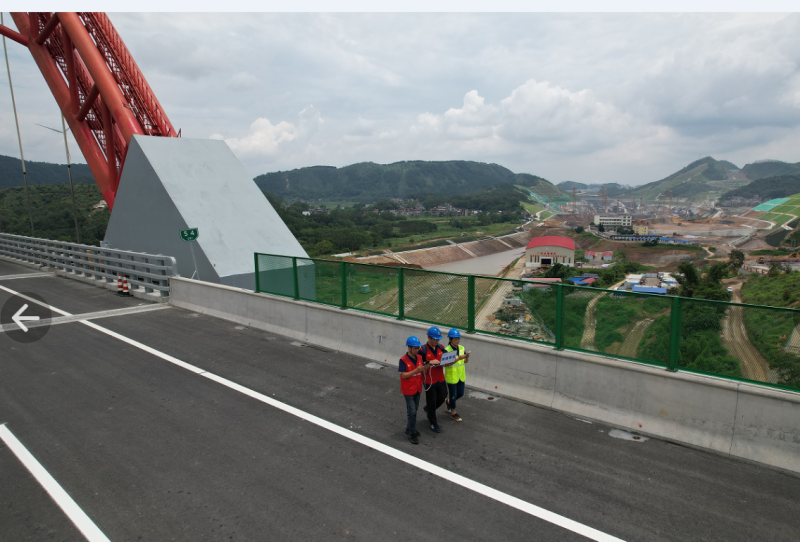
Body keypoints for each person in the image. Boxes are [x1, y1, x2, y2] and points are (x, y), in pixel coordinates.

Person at [419, 326, 448, 433]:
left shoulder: (441, 347)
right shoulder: (423, 350)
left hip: (440, 378)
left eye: (438, 339)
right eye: (434, 339)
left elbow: (445, 357)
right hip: (429, 381)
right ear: (429, 338)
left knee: (443, 396)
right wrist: (429, 362)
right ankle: (433, 422)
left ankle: (429, 410)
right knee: (431, 401)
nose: (436, 341)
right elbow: (418, 363)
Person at [399, 336, 426, 444]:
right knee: (412, 411)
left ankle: (409, 427)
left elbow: (422, 369)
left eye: (418, 348)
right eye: (415, 348)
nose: (417, 350)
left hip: (417, 389)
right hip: (408, 390)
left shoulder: (419, 358)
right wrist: (416, 370)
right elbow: (404, 375)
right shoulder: (403, 360)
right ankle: (412, 432)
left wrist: (427, 366)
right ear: (409, 348)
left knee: (414, 411)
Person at [444, 328, 470, 422]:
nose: (457, 340)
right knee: (453, 394)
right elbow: (446, 363)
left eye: (458, 338)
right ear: (450, 340)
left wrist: (466, 358)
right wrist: (459, 358)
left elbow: (465, 362)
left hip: (460, 376)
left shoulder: (462, 348)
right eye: (455, 339)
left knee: (461, 393)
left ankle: (449, 402)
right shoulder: (447, 350)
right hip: (452, 377)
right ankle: (453, 413)